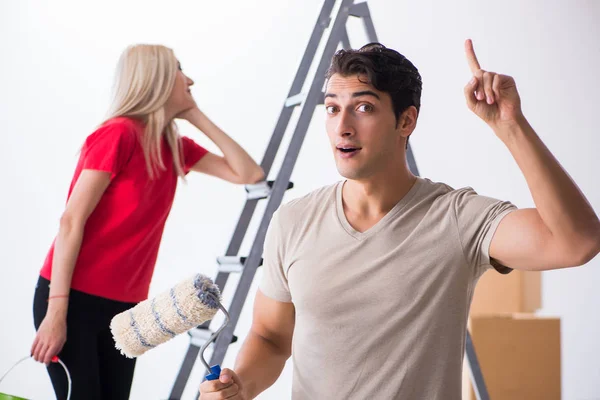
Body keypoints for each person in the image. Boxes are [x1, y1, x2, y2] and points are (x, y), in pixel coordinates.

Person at [198, 39, 600, 400]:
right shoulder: (294, 221)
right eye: (333, 108)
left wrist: (511, 126)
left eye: (364, 107)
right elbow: (270, 337)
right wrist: (241, 386)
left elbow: (577, 242)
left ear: (406, 121)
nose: (342, 126)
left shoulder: (457, 218)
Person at [30, 44, 264, 400]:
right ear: (155, 78)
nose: (190, 79)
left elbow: (249, 173)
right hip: (71, 299)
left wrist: (194, 114)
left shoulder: (173, 145)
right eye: (180, 70)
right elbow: (71, 221)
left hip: (125, 308)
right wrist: (55, 312)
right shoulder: (118, 134)